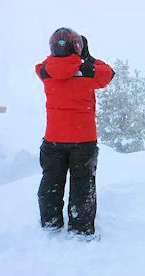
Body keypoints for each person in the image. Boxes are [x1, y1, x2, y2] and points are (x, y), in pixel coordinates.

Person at [35, 28, 114, 238]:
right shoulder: (89, 72)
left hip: (53, 139)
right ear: (77, 47)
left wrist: (62, 56)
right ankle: (80, 229)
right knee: (82, 184)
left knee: (50, 181)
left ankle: (50, 223)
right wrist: (86, 57)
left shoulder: (46, 72)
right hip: (83, 140)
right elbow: (109, 73)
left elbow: (43, 65)